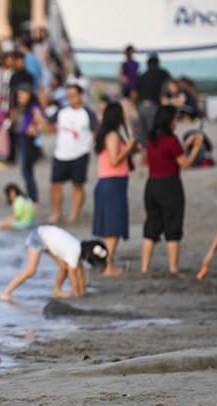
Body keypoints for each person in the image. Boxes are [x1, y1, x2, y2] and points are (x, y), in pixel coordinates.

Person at [140, 105, 202, 274]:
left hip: (152, 185)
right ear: (169, 121)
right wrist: (196, 147)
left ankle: (144, 268)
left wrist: (185, 144)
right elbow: (185, 163)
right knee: (173, 227)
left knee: (151, 227)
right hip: (170, 185)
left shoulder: (151, 138)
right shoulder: (171, 140)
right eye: (175, 119)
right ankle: (173, 268)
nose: (176, 122)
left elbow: (164, 154)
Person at [0, 225, 107, 301]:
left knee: (64, 266)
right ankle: (6, 293)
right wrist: (78, 295)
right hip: (38, 237)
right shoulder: (74, 252)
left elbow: (80, 273)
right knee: (31, 271)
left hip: (46, 236)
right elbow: (73, 277)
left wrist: (82, 291)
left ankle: (57, 290)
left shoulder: (77, 247)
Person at [93, 102, 139, 276]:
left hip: (110, 183)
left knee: (109, 227)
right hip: (112, 183)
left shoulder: (110, 134)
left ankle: (105, 263)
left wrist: (131, 149)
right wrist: (128, 147)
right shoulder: (112, 135)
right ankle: (108, 265)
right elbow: (114, 160)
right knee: (113, 227)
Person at [49, 83, 98, 224]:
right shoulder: (62, 111)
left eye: (73, 95)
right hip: (61, 153)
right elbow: (47, 122)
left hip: (80, 153)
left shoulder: (88, 113)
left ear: (81, 95)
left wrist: (88, 145)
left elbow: (95, 131)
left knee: (78, 185)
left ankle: (74, 214)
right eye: (68, 96)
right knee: (55, 185)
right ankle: (57, 214)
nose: (71, 98)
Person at [14, 83, 46, 203]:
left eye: (22, 94)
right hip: (24, 141)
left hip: (29, 143)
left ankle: (33, 199)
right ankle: (31, 197)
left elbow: (41, 123)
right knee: (26, 171)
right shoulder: (26, 106)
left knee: (27, 171)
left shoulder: (34, 106)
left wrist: (34, 129)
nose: (20, 96)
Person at [135, 54, 170, 145]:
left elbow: (134, 93)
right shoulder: (162, 73)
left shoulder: (142, 75)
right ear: (158, 63)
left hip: (141, 106)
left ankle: (145, 154)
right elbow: (171, 85)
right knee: (154, 132)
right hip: (153, 106)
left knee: (143, 134)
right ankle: (154, 153)